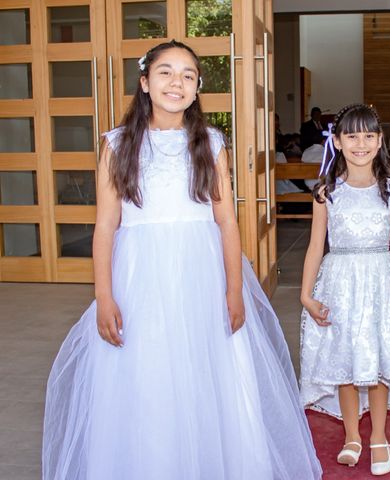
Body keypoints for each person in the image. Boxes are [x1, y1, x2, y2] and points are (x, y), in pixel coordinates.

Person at [42, 40, 322, 480]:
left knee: (208, 376)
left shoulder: (210, 143)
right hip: (140, 279)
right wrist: (103, 295)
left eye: (188, 75)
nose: (177, 82)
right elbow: (106, 225)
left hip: (201, 274)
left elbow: (226, 221)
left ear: (197, 89)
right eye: (166, 72)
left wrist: (233, 290)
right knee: (146, 375)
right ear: (145, 82)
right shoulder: (116, 145)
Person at [299, 104, 390, 476]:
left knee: (378, 360)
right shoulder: (326, 192)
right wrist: (306, 294)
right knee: (347, 361)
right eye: (351, 135)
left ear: (380, 140)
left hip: (380, 282)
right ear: (337, 141)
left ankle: (379, 436)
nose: (360, 143)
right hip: (339, 283)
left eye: (368, 135)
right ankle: (352, 435)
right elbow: (316, 245)